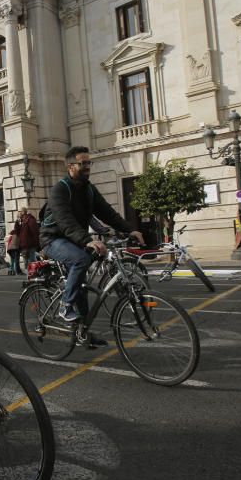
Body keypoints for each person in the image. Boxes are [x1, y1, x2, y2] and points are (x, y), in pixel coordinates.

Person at [40, 146, 144, 345]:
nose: (88, 166)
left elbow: (107, 212)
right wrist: (88, 240)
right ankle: (65, 306)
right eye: (83, 163)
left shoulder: (89, 189)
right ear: (71, 167)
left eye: (89, 162)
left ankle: (83, 333)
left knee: (82, 287)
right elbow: (65, 221)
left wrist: (129, 229)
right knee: (81, 260)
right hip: (53, 239)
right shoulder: (60, 189)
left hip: (72, 239)